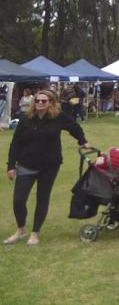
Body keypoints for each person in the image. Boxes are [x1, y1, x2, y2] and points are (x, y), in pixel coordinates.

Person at [5, 90, 92, 246]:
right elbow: (15, 143)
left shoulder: (58, 117)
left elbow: (74, 127)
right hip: (26, 164)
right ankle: (21, 229)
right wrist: (11, 165)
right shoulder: (26, 119)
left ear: (51, 103)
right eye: (37, 100)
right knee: (18, 200)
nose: (39, 103)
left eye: (44, 101)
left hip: (49, 166)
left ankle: (35, 233)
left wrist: (82, 141)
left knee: (42, 199)